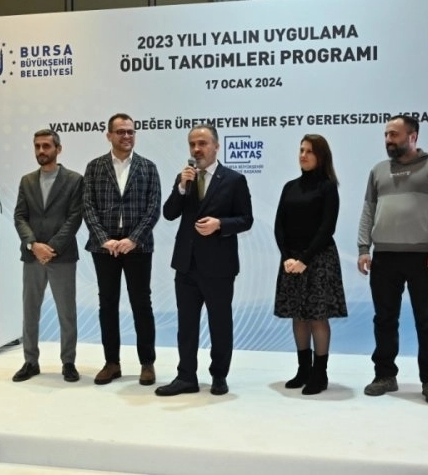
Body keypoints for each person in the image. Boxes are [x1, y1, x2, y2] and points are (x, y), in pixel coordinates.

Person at [357, 114, 428, 405]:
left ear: (412, 136)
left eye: (394, 134)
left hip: (423, 257)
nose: (388, 140)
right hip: (384, 257)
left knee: (427, 320)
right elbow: (368, 211)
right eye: (386, 135)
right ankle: (384, 376)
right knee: (384, 319)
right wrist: (364, 248)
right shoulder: (378, 171)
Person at [155, 124, 253, 397]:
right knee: (186, 325)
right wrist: (180, 188)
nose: (197, 149)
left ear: (216, 146)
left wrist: (219, 224)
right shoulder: (184, 177)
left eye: (202, 143)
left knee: (219, 323)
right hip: (186, 265)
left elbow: (246, 219)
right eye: (192, 144)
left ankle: (219, 375)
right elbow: (169, 213)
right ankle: (186, 376)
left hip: (219, 267)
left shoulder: (234, 179)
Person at [83, 113, 161, 386]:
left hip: (138, 247)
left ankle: (147, 363)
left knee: (142, 305)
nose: (127, 136)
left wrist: (133, 239)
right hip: (104, 248)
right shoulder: (94, 167)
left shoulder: (148, 167)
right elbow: (88, 206)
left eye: (131, 131)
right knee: (108, 305)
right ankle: (112, 363)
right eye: (121, 132)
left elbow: (153, 208)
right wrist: (104, 239)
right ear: (109, 135)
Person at [274, 134, 348, 395]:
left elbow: (327, 228)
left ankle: (320, 373)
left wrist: (305, 260)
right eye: (301, 150)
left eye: (309, 151)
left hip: (318, 259)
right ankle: (303, 369)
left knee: (317, 317)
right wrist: (287, 257)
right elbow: (279, 225)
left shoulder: (327, 187)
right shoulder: (289, 187)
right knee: (298, 315)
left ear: (321, 156)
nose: (303, 155)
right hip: (291, 260)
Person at [13, 129, 84, 383]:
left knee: (67, 312)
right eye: (37, 146)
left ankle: (68, 362)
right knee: (30, 311)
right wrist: (34, 245)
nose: (41, 151)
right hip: (32, 256)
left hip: (61, 256)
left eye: (46, 146)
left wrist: (50, 248)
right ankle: (30, 362)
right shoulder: (27, 181)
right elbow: (20, 216)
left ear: (58, 149)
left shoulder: (74, 180)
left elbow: (75, 218)